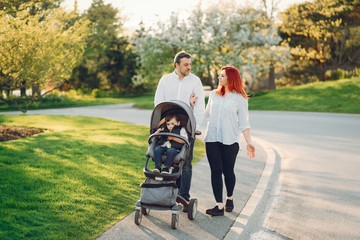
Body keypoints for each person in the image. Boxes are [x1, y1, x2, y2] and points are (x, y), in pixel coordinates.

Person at [154, 50, 205, 206]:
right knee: (168, 158)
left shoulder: (195, 81)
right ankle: (170, 193)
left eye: (190, 64)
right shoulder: (165, 80)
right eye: (186, 64)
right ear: (177, 65)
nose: (189, 67)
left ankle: (184, 197)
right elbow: (158, 103)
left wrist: (194, 127)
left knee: (186, 162)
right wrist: (158, 126)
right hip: (168, 127)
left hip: (186, 128)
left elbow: (200, 106)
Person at [203, 66, 255, 216]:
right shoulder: (214, 94)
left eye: (222, 76)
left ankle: (229, 197)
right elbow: (206, 115)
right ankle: (219, 205)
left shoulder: (240, 98)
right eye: (219, 75)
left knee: (228, 171)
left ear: (230, 78)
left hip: (230, 140)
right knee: (215, 171)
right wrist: (193, 105)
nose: (219, 78)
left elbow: (244, 123)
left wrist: (249, 142)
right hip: (212, 138)